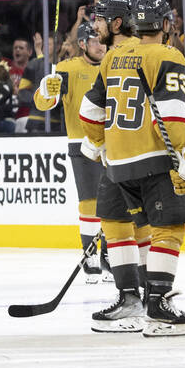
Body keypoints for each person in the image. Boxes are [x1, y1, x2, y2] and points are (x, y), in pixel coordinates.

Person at [79, 0, 185, 336]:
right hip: (152, 157)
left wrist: (101, 145)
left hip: (117, 163)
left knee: (127, 228)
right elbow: (173, 114)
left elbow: (89, 112)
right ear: (163, 25)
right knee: (168, 228)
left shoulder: (112, 57)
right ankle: (158, 305)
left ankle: (132, 299)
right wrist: (182, 156)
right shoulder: (167, 55)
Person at [34, 22, 109, 283]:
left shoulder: (115, 65)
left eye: (103, 40)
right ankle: (90, 254)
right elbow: (45, 103)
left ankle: (111, 256)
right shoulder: (67, 68)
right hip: (82, 143)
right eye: (95, 41)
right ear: (81, 44)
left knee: (117, 204)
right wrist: (47, 89)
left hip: (116, 144)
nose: (101, 45)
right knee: (90, 202)